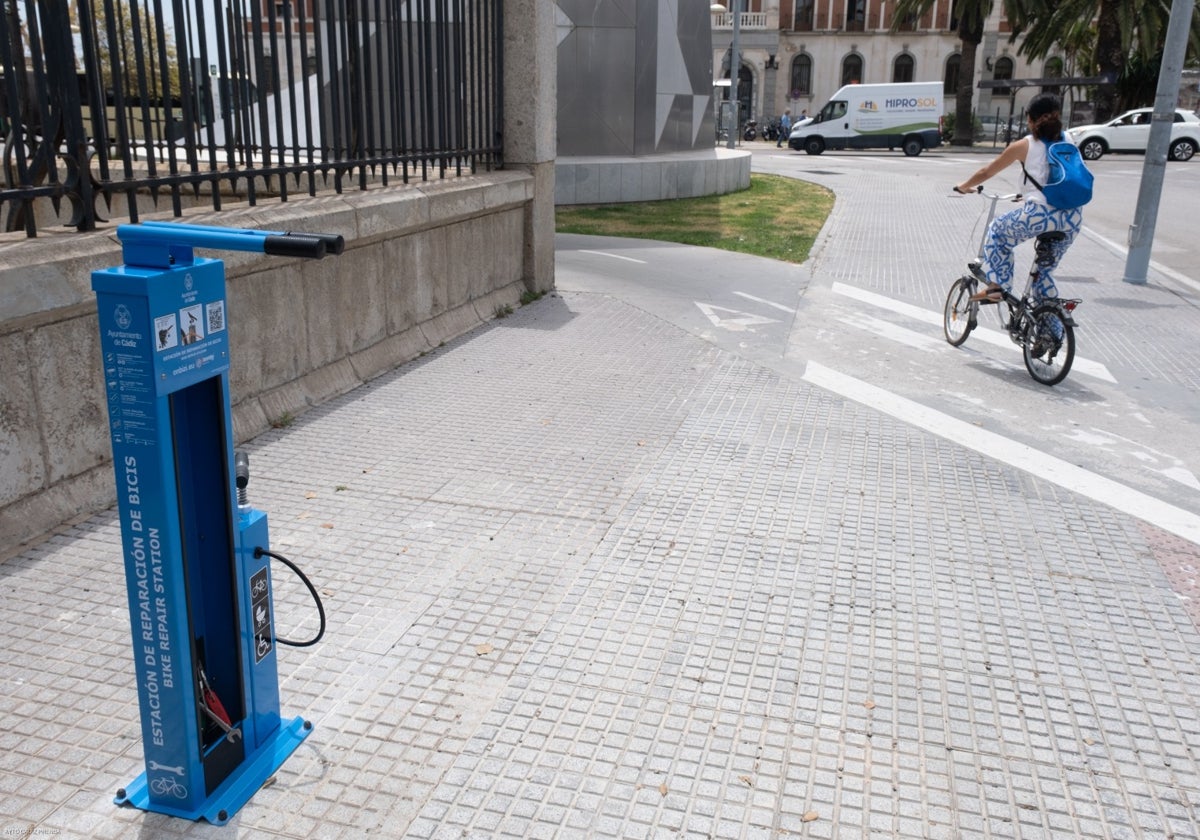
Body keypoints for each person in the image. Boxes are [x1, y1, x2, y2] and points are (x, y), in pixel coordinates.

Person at [953, 93, 1082, 306]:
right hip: (1072, 218)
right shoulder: (1069, 140)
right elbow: (1061, 176)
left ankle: (997, 286)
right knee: (1043, 272)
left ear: (1030, 119)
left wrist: (964, 186)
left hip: (1041, 213)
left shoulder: (1024, 145)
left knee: (997, 232)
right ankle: (1051, 330)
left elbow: (986, 172)